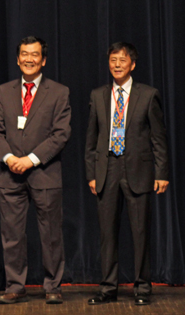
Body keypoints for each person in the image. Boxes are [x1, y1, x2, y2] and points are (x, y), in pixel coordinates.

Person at [0, 36, 71, 305]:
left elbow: (61, 134)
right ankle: (15, 285)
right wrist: (10, 157)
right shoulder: (4, 91)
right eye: (24, 54)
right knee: (12, 235)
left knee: (50, 234)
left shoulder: (59, 92)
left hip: (44, 174)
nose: (29, 59)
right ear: (17, 58)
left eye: (34, 54)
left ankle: (53, 286)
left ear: (43, 60)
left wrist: (31, 159)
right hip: (10, 174)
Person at [85, 42, 169, 306]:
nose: (117, 64)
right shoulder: (98, 95)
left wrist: (162, 172)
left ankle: (142, 288)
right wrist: (91, 173)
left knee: (140, 232)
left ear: (132, 64)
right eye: (113, 60)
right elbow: (91, 139)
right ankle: (108, 288)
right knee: (107, 233)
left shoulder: (148, 94)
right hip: (107, 169)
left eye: (122, 60)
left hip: (138, 170)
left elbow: (158, 137)